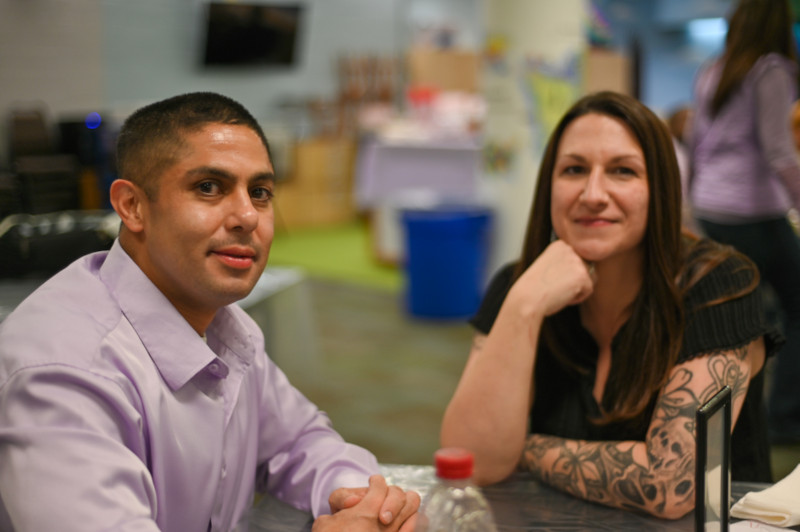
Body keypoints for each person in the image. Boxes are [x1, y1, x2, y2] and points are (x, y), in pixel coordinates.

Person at [0, 92, 419, 532]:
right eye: (208, 187)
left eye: (259, 192)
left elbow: (300, 441)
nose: (246, 217)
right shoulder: (65, 374)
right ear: (132, 206)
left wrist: (363, 502)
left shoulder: (225, 326)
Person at [440, 91, 781, 520]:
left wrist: (520, 450)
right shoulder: (519, 286)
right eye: (574, 170)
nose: (593, 193)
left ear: (659, 190)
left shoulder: (717, 282)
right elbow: (473, 461)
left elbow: (670, 484)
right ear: (550, 186)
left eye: (622, 171)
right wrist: (524, 306)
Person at [687, 0, 800, 445]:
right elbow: (779, 150)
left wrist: (693, 204)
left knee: (727, 316)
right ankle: (783, 419)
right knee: (791, 308)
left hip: (712, 208)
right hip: (753, 211)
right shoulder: (769, 68)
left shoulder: (715, 68)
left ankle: (720, 421)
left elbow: (697, 143)